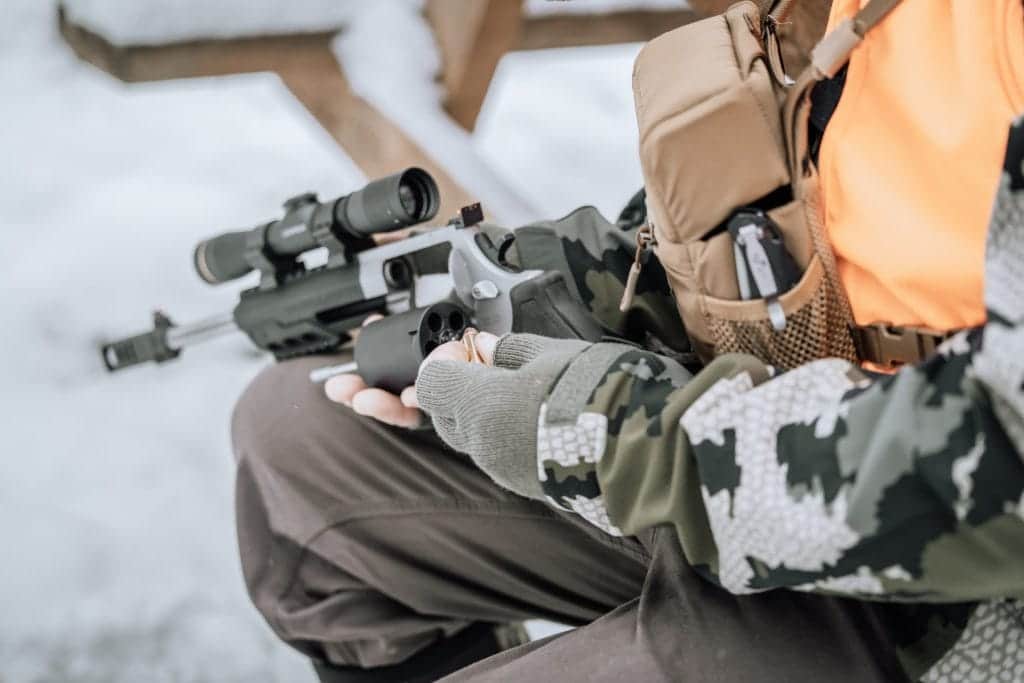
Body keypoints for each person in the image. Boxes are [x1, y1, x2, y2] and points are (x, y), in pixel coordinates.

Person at [231, 0, 1024, 680]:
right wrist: (570, 292)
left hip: (959, 597)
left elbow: (998, 461)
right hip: (762, 438)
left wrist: (602, 428)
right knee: (295, 445)